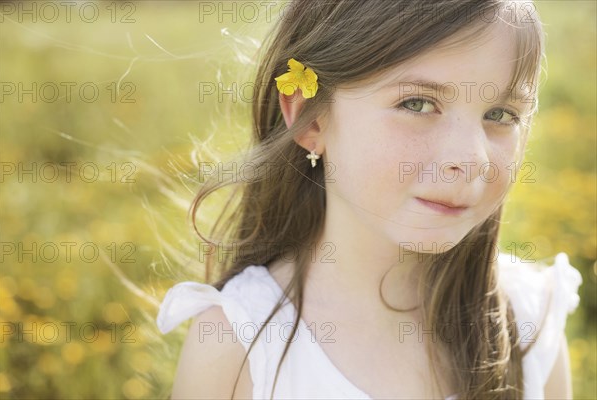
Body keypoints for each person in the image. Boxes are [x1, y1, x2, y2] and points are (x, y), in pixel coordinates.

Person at [156, 1, 583, 399]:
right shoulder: (240, 344)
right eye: (417, 104)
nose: (471, 158)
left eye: (501, 115)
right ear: (310, 119)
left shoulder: (530, 321)